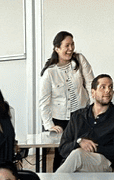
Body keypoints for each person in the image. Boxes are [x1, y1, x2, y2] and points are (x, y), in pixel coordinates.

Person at [39, 31, 94, 170]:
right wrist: (49, 125)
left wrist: (93, 109)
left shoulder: (80, 60)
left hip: (81, 116)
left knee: (82, 151)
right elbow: (44, 102)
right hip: (60, 120)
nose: (71, 49)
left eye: (72, 44)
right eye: (67, 45)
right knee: (62, 154)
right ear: (57, 49)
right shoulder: (49, 73)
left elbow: (90, 84)